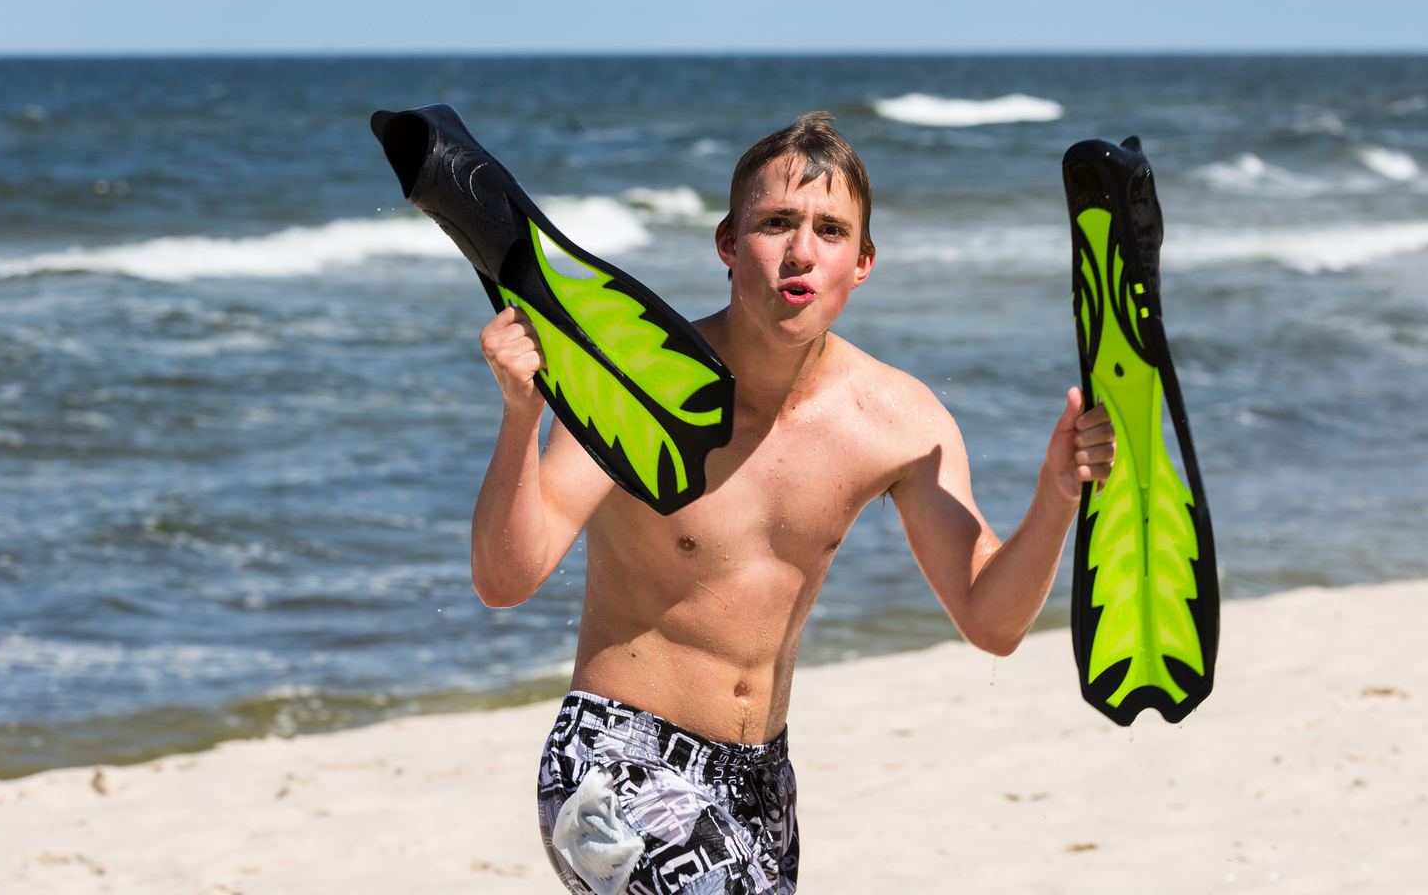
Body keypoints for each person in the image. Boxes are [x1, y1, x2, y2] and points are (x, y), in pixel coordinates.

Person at [472, 112, 1115, 895]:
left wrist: (1056, 499)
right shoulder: (637, 385)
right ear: (728, 244)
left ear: (863, 262)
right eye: (776, 223)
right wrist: (522, 415)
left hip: (761, 782)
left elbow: (991, 619)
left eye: (830, 230)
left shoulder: (897, 422)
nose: (800, 250)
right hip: (615, 759)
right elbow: (506, 579)